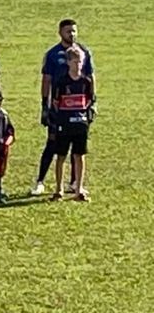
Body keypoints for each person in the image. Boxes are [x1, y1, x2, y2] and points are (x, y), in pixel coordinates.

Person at [35, 18, 95, 196]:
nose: (72, 34)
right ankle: (40, 181)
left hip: (79, 107)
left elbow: (90, 77)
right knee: (53, 144)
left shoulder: (84, 52)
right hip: (59, 107)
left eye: (74, 31)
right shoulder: (52, 54)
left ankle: (75, 183)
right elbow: (46, 79)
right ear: (60, 32)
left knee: (78, 147)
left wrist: (93, 103)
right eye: (69, 31)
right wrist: (45, 105)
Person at [49, 47, 95, 202]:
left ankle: (79, 188)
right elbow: (56, 102)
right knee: (61, 156)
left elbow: (89, 100)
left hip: (80, 125)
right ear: (68, 62)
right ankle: (59, 189)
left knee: (79, 155)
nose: (78, 65)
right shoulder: (62, 82)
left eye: (80, 61)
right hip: (64, 124)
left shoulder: (86, 82)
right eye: (75, 62)